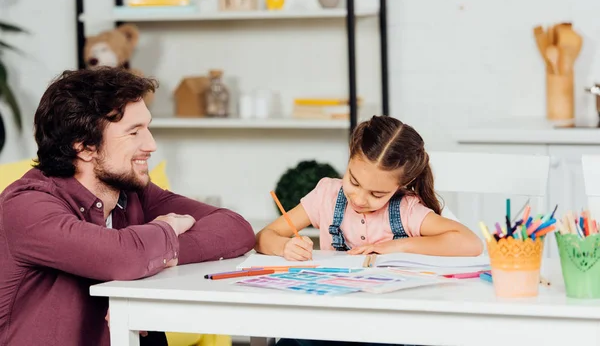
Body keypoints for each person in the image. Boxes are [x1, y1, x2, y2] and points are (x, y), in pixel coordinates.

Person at [0, 67, 256, 346]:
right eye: (134, 133)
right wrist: (166, 230)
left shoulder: (133, 193)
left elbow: (236, 229)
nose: (151, 144)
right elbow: (123, 256)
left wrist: (156, 259)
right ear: (84, 147)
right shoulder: (27, 206)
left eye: (148, 128)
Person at [255, 116, 483, 346]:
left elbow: (470, 243)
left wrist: (396, 246)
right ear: (349, 156)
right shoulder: (327, 196)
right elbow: (264, 237)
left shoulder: (405, 210)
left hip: (386, 323)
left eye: (377, 194)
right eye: (354, 181)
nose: (360, 199)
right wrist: (285, 246)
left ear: (400, 185)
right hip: (331, 317)